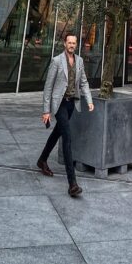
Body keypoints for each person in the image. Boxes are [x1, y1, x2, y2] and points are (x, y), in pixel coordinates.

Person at [37, 31, 94, 197]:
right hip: (59, 104)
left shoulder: (79, 61)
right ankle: (72, 184)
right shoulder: (56, 61)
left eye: (74, 43)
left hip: (71, 104)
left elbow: (83, 82)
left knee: (57, 132)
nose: (71, 45)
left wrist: (89, 100)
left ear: (76, 45)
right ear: (64, 43)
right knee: (67, 138)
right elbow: (48, 87)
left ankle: (42, 160)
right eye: (69, 42)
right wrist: (46, 110)